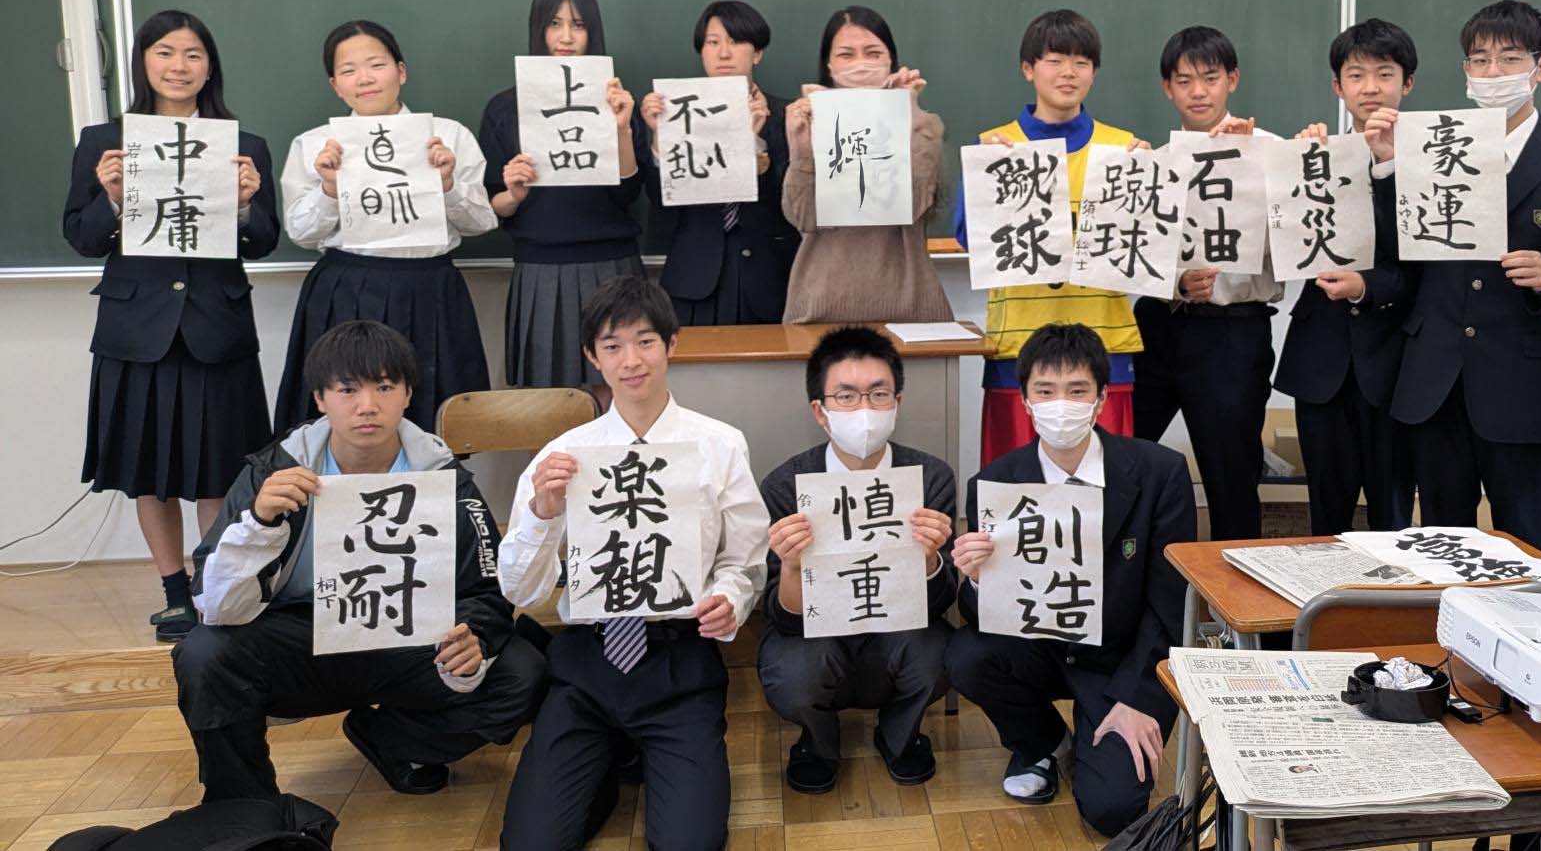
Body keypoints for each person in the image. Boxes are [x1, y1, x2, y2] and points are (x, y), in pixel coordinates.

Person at [173, 320, 544, 801]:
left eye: (384, 388)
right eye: (347, 390)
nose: (367, 406)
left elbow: (486, 590)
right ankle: (244, 805)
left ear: (407, 394)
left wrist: (474, 636)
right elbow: (213, 603)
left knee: (520, 672)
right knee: (204, 653)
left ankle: (392, 740)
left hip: (411, 642)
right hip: (303, 639)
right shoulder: (276, 470)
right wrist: (260, 523)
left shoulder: (445, 478)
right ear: (320, 399)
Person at [498, 274, 768, 850]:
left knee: (689, 845)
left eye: (646, 341)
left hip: (679, 660)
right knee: (530, 844)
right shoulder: (562, 455)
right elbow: (521, 591)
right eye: (613, 345)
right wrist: (544, 514)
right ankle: (604, 767)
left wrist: (731, 600)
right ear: (592, 357)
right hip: (588, 663)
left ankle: (636, 759)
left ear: (672, 345)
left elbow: (744, 560)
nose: (631, 360)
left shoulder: (720, 444)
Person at [64, 10, 279, 642]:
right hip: (138, 329)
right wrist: (109, 195)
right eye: (164, 52)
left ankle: (216, 588)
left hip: (217, 326)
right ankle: (175, 594)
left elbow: (265, 240)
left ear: (210, 67)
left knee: (220, 469)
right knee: (148, 469)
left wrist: (246, 205)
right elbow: (81, 237)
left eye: (192, 55)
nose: (178, 66)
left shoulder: (244, 144)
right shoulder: (103, 141)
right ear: (143, 62)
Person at [945, 323, 1195, 837]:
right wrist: (975, 579)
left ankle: (1094, 740)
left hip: (1120, 663)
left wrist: (1138, 699)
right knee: (966, 655)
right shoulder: (994, 482)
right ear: (1026, 401)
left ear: (1101, 399)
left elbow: (1171, 607)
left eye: (1077, 390)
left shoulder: (1161, 472)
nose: (1061, 405)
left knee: (1112, 811)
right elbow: (983, 617)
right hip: (1038, 651)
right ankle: (1042, 743)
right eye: (1046, 391)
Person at [1386, 0, 1541, 553]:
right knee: (1441, 542)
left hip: (1525, 381)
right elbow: (1397, 252)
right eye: (1479, 60)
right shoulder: (1430, 149)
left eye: (1509, 59)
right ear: (1465, 70)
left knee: (1526, 543)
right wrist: (1386, 166)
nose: (1492, 72)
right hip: (1437, 379)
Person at [757, 326, 958, 793]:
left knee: (943, 655)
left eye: (878, 394)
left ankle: (900, 733)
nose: (864, 410)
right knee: (791, 675)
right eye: (846, 397)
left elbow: (939, 603)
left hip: (898, 633)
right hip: (815, 638)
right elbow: (781, 618)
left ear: (897, 403)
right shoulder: (786, 485)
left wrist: (930, 559)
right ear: (820, 411)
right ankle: (818, 742)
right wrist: (792, 568)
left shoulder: (930, 477)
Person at [274, 20, 497, 431]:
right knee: (345, 423)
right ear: (335, 85)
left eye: (376, 65)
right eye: (349, 70)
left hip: (431, 289)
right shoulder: (314, 144)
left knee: (437, 423)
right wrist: (329, 188)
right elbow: (302, 234)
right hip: (346, 288)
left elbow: (482, 221)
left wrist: (447, 184)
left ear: (401, 71)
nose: (365, 78)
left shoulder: (448, 135)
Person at [953, 9, 1144, 466]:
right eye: (1055, 60)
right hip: (1017, 350)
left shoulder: (1124, 149)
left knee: (1108, 484)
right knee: (1016, 487)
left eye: (1081, 62)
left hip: (1105, 348)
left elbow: (1146, 248)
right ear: (1028, 68)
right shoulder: (995, 148)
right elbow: (966, 238)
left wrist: (1149, 180)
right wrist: (987, 181)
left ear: (1094, 72)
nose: (1068, 73)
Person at [1130, 25, 1283, 540]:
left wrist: (1257, 170)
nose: (1198, 92)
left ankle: (1235, 592)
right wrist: (1178, 282)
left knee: (1230, 478)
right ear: (1166, 88)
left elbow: (1301, 243)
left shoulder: (1271, 152)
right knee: (1120, 458)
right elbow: (1136, 253)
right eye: (1184, 81)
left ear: (1232, 80)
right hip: (1160, 325)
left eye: (1210, 78)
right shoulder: (1155, 160)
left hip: (1232, 333)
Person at [1273, 19, 1417, 534]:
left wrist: (1367, 287)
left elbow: (1431, 270)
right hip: (1321, 363)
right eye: (1356, 75)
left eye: (1385, 73)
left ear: (1407, 83)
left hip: (1397, 363)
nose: (1370, 87)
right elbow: (1281, 238)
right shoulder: (1317, 156)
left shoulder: (1439, 164)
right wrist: (1298, 166)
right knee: (1325, 516)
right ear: (1338, 86)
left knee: (1392, 515)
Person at [478, 0, 647, 396]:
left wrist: (622, 129)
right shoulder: (504, 107)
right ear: (538, 29)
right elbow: (492, 204)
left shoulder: (616, 100)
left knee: (619, 391)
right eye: (554, 24)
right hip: (541, 268)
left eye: (579, 24)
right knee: (546, 400)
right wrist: (513, 193)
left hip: (612, 263)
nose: (566, 37)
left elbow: (629, 193)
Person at [780, 6, 953, 323]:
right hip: (821, 305)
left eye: (873, 53)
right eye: (846, 55)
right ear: (829, 65)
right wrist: (802, 149)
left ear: (891, 62)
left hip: (908, 307)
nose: (860, 64)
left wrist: (911, 113)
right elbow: (802, 218)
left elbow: (918, 206)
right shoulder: (808, 120)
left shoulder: (923, 124)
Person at [642, 0, 797, 326]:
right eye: (713, 42)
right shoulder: (676, 114)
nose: (723, 53)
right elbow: (660, 203)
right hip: (694, 278)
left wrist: (754, 143)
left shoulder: (788, 116)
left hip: (769, 279)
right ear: (702, 52)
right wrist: (659, 140)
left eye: (736, 41)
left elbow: (792, 202)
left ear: (757, 53)